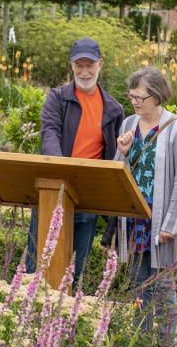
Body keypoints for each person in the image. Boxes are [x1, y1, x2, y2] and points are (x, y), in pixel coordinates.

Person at [25, 37, 125, 289]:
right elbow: (50, 134)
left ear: (100, 64)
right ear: (71, 67)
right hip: (52, 192)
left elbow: (115, 153)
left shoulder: (113, 108)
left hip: (86, 197)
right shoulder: (57, 99)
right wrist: (61, 173)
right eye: (78, 65)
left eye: (89, 65)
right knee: (37, 264)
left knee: (73, 270)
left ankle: (66, 320)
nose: (84, 71)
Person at [101, 66, 177, 345]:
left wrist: (170, 224)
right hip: (134, 218)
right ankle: (140, 346)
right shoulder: (128, 124)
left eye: (141, 97)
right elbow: (118, 172)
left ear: (157, 95)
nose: (135, 101)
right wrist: (124, 152)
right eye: (132, 96)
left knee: (163, 286)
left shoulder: (176, 128)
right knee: (137, 286)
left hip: (160, 219)